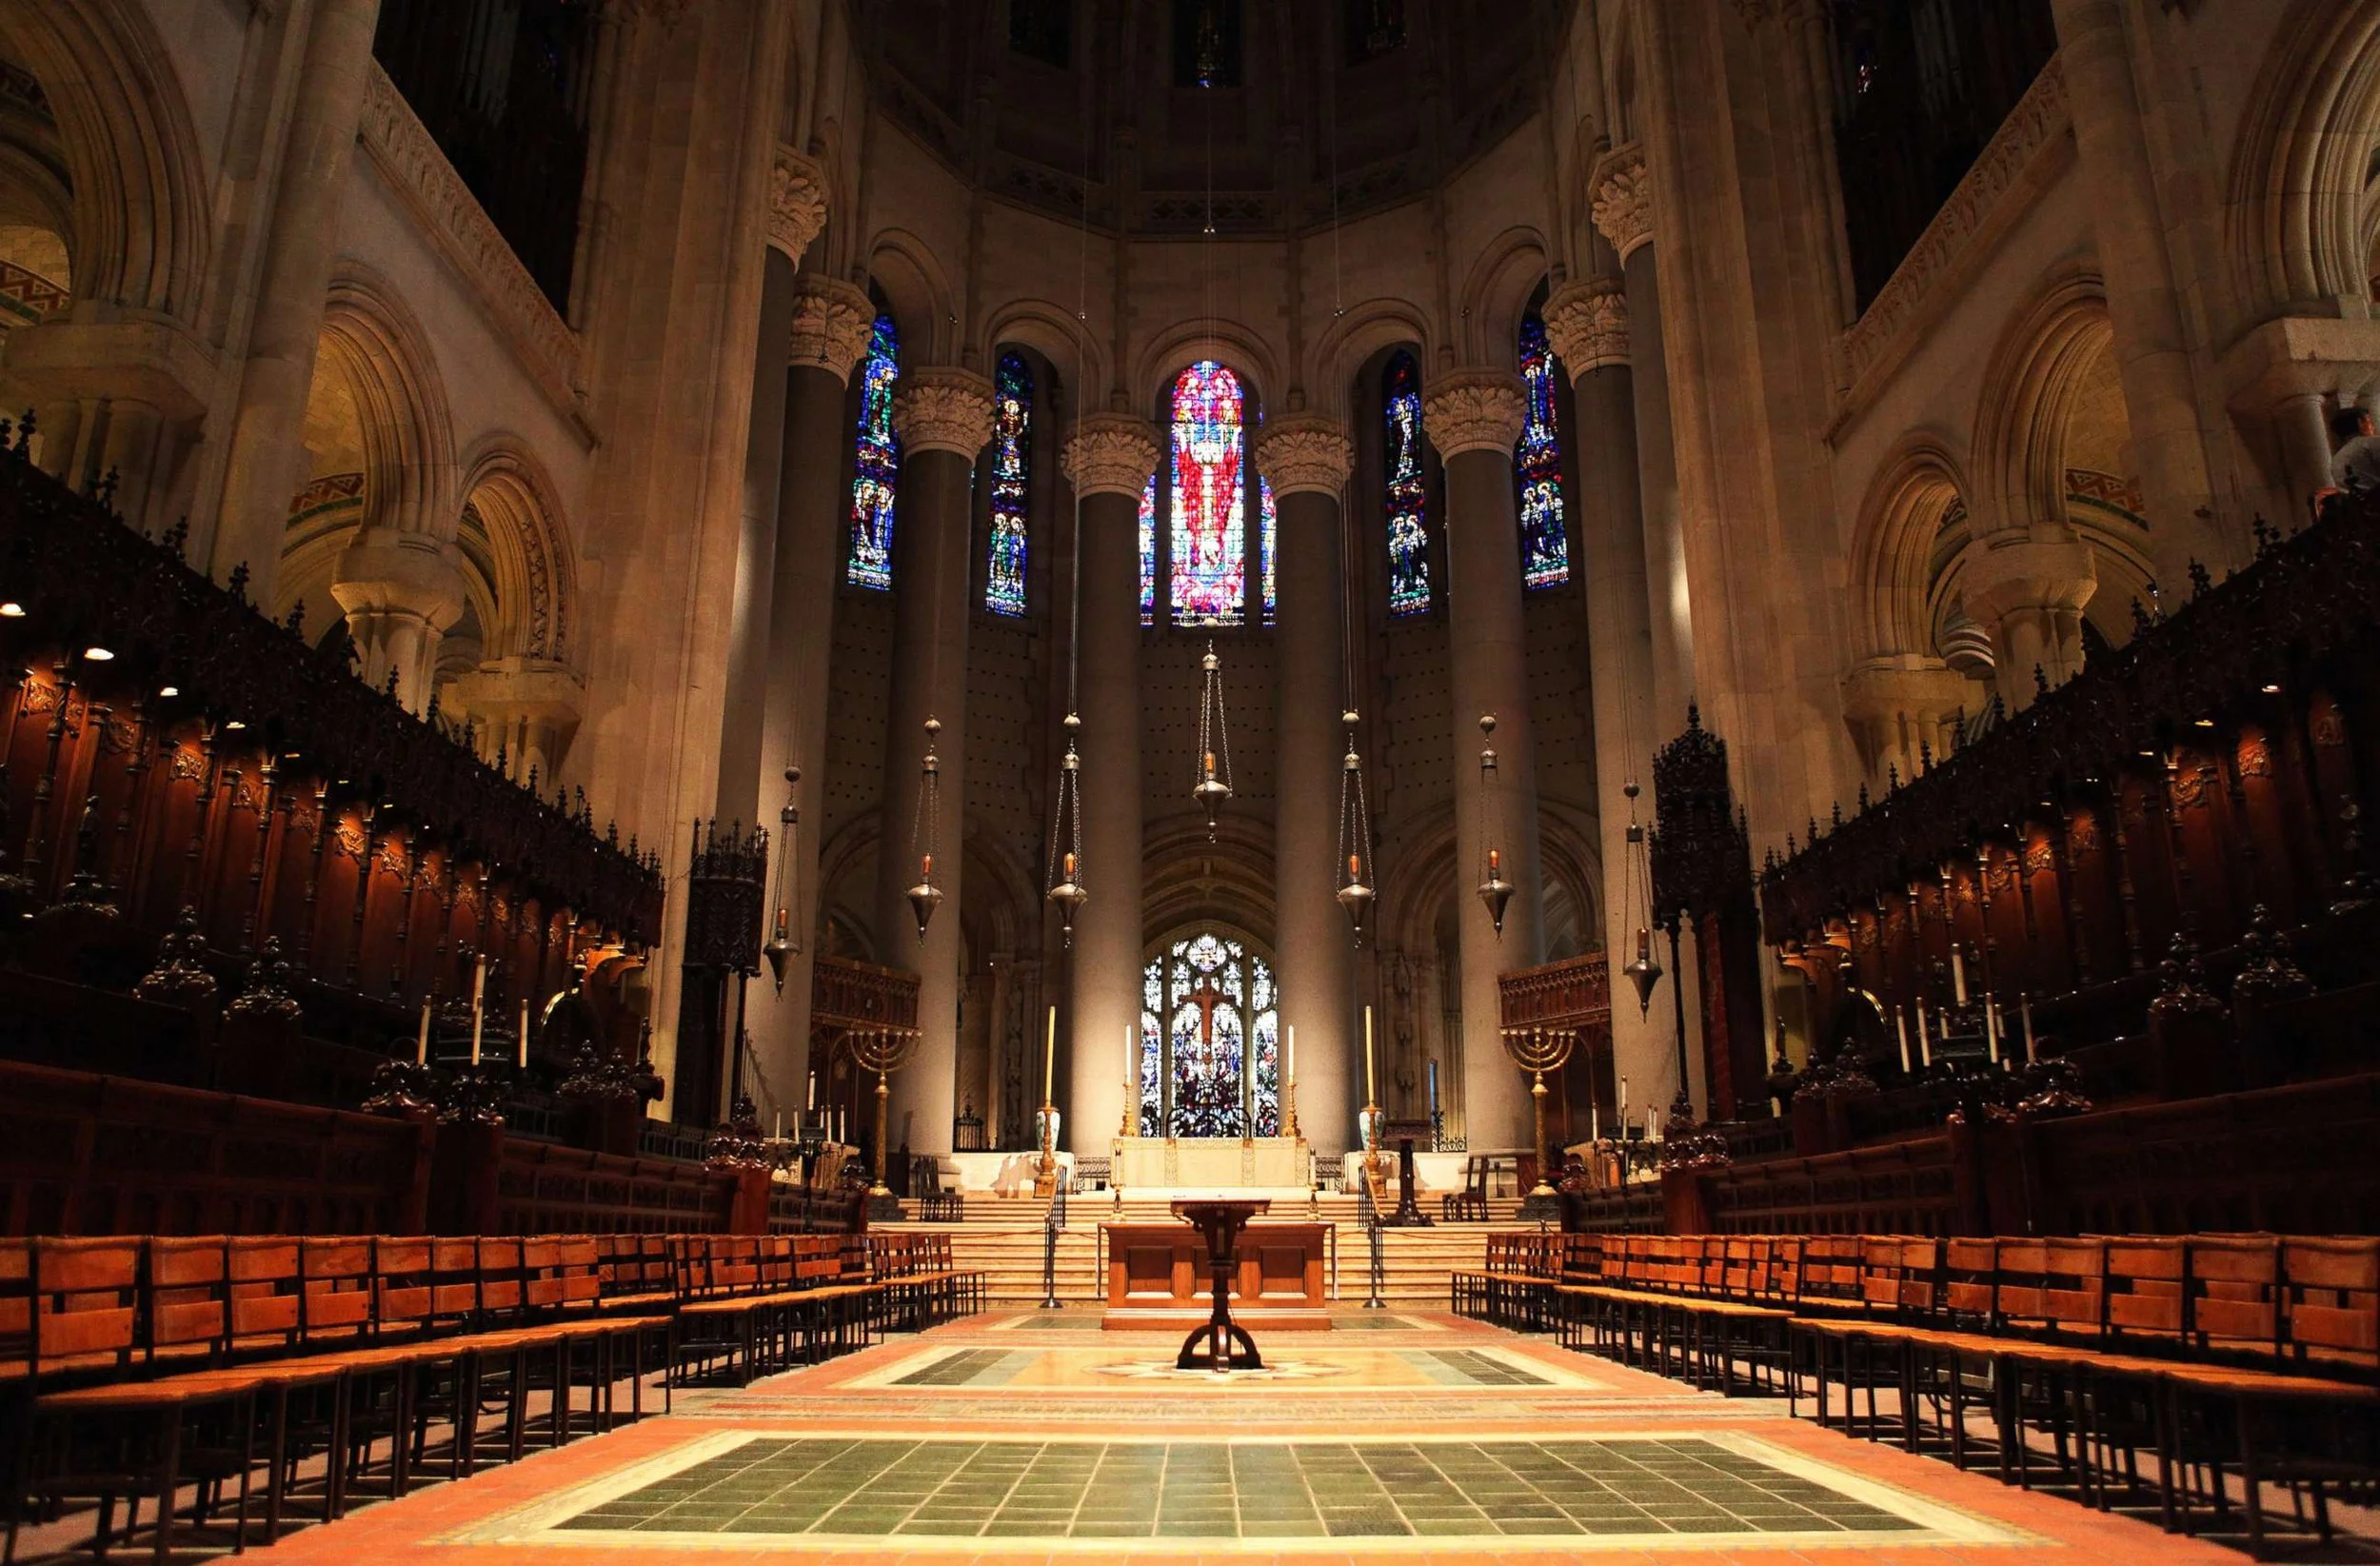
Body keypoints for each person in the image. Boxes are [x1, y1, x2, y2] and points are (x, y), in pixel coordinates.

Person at [2330, 404, 2380, 492]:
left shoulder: (2335, 460)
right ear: (2360, 423)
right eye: (2370, 422)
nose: (2373, 427)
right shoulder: (2371, 443)